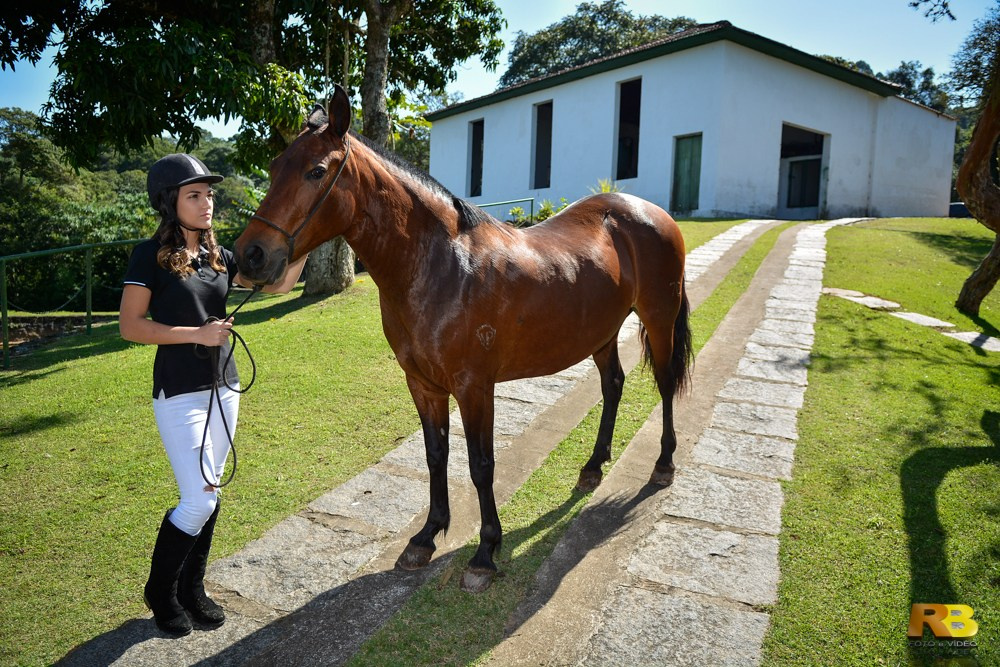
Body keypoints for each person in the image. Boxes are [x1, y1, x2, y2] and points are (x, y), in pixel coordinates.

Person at [119, 153, 306, 636]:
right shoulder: (148, 256)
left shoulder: (219, 256)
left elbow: (279, 283)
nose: (207, 204)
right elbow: (130, 326)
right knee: (197, 499)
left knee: (212, 488)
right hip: (179, 390)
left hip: (225, 385)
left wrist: (306, 240)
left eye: (209, 194)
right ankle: (160, 592)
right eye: (194, 195)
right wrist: (196, 334)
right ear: (169, 202)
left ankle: (192, 588)